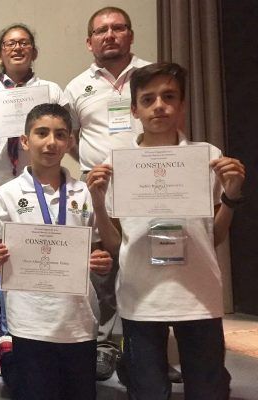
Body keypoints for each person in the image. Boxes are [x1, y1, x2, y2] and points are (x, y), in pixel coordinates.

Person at [87, 62, 244, 399]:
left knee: (207, 390)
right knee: (148, 391)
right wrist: (98, 201)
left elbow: (215, 237)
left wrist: (231, 196)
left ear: (182, 105)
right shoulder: (117, 163)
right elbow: (114, 245)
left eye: (169, 97)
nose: (159, 106)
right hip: (141, 298)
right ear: (134, 110)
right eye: (148, 99)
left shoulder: (208, 158)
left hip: (198, 296)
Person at [0, 103, 112, 399]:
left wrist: (100, 261)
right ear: (25, 141)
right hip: (29, 321)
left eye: (60, 134)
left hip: (78, 320)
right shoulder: (7, 194)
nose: (51, 142)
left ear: (70, 142)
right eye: (42, 133)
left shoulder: (84, 193)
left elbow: (98, 250)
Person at [0, 22, 68, 376]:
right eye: (10, 43)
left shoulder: (51, 90)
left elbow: (66, 132)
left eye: (24, 43)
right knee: (9, 265)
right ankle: (9, 336)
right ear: (0, 53)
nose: (17, 48)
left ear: (33, 51)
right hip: (3, 185)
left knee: (50, 259)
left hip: (47, 183)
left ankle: (54, 333)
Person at [63, 7, 152, 380]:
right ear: (90, 42)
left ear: (130, 34)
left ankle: (144, 350)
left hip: (149, 185)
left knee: (147, 263)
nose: (110, 35)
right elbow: (68, 138)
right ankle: (103, 345)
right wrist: (90, 166)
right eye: (101, 31)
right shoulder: (75, 87)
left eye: (118, 28)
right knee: (101, 267)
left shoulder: (151, 75)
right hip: (97, 186)